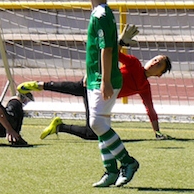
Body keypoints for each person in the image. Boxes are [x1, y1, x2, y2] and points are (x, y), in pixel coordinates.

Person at [19, 50, 173, 141]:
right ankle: (56, 119)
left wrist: (157, 132)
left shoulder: (144, 87)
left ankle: (42, 89)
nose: (154, 63)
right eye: (155, 59)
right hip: (95, 83)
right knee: (91, 132)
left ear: (159, 74)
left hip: (98, 97)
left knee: (75, 91)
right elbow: (112, 53)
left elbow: (150, 109)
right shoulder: (134, 63)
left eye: (159, 64)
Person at [82, 0, 139, 188]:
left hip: (104, 79)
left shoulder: (101, 15)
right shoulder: (100, 14)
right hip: (95, 77)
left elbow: (106, 50)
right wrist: (88, 73)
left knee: (96, 123)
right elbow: (98, 49)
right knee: (101, 124)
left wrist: (105, 80)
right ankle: (111, 171)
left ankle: (128, 162)